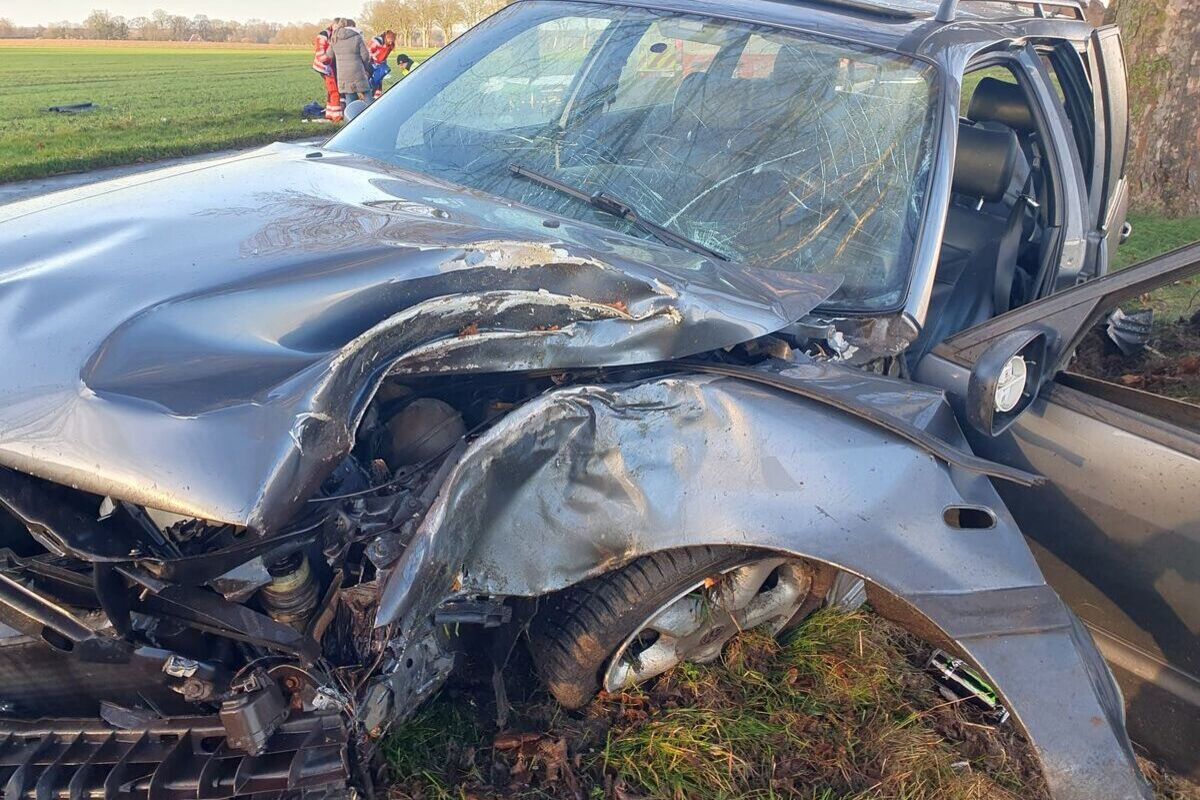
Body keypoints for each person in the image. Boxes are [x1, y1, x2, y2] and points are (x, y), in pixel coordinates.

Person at [331, 19, 372, 105]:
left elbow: (329, 55)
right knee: (366, 93)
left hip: (343, 73)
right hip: (357, 70)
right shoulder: (357, 36)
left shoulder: (334, 38)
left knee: (350, 97)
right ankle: (372, 111)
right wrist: (365, 67)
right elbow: (365, 56)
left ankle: (351, 113)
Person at [312, 18, 343, 122]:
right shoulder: (324, 35)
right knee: (334, 91)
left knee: (331, 91)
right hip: (324, 67)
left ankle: (329, 114)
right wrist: (329, 62)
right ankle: (337, 117)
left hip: (329, 65)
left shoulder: (334, 34)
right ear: (333, 25)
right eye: (337, 27)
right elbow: (320, 53)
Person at [368, 30, 397, 99]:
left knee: (379, 79)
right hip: (372, 63)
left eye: (392, 41)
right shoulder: (377, 42)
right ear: (386, 37)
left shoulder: (390, 45)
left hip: (381, 63)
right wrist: (374, 58)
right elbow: (369, 51)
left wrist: (383, 62)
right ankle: (370, 94)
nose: (391, 42)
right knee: (373, 80)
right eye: (390, 40)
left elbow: (385, 55)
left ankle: (377, 96)